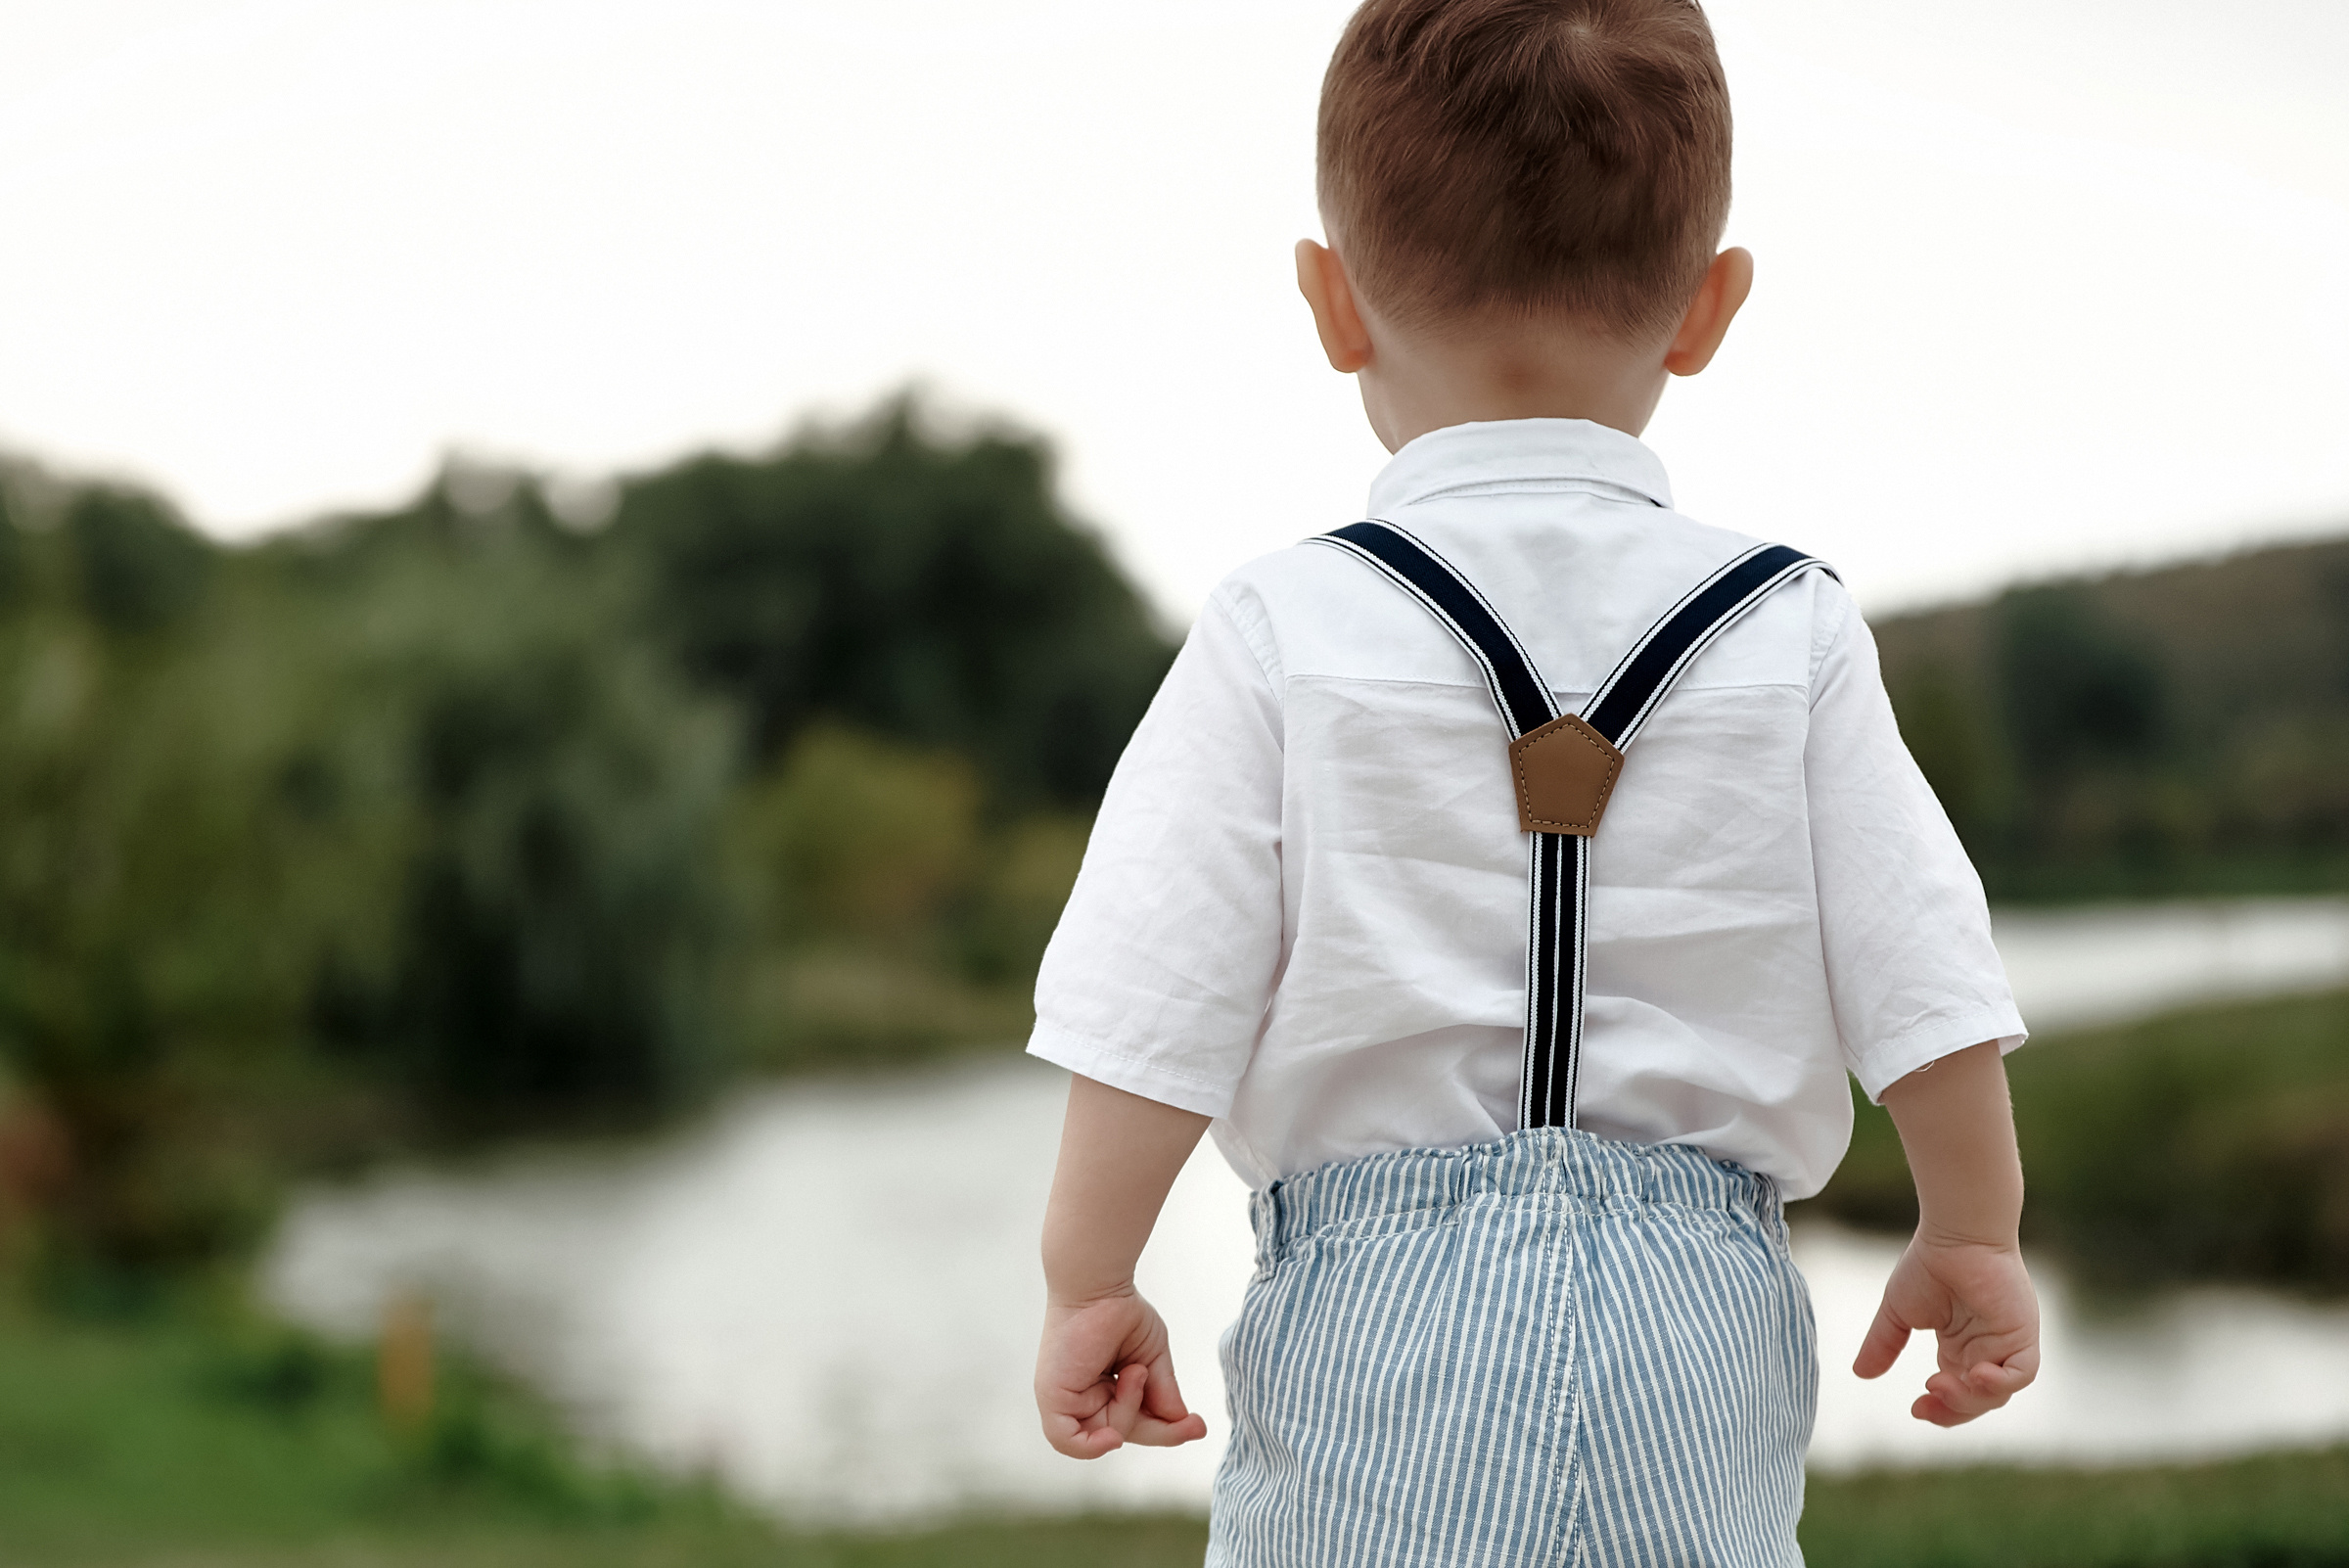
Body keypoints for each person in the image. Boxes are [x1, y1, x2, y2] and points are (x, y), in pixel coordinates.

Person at [1028, 0, 2039, 1560]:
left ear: (1330, 301)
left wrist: (1088, 1271)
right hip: (1694, 1312)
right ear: (1707, 308)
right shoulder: (1791, 625)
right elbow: (1925, 967)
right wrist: (1972, 1226)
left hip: (1377, 1316)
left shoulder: (1279, 627)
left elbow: (1157, 989)